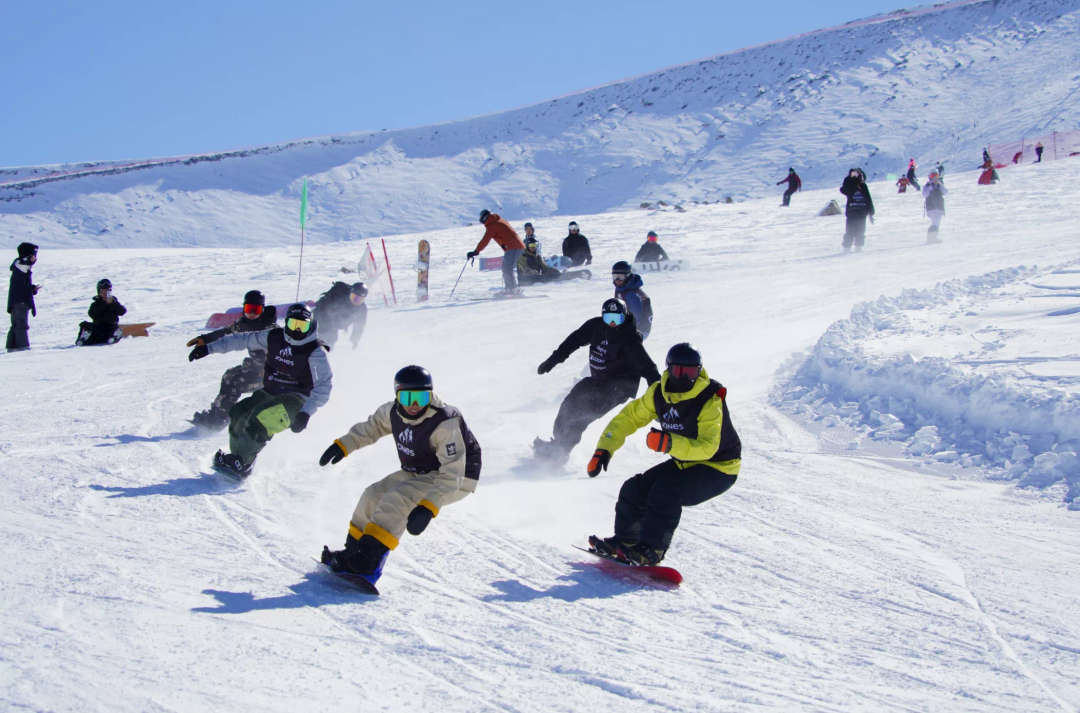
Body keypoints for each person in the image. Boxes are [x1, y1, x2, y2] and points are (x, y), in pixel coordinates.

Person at [318, 366, 481, 586]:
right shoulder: (392, 412)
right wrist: (345, 445)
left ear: (430, 395)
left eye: (421, 398)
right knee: (373, 495)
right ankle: (353, 553)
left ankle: (367, 564)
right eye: (407, 397)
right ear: (397, 395)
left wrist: (428, 507)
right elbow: (372, 428)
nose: (414, 405)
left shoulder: (444, 422)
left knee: (398, 498)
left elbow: (453, 471)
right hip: (419, 471)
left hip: (456, 478)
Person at [587, 343, 741, 566]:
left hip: (719, 467)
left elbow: (709, 447)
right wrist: (605, 448)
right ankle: (626, 543)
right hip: (685, 462)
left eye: (691, 372)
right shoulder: (658, 393)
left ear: (699, 371)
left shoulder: (710, 398)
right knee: (635, 488)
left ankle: (651, 551)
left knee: (666, 491)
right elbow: (628, 418)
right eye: (679, 371)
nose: (685, 377)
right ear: (668, 369)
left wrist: (669, 443)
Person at [188, 303, 332, 479]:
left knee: (261, 420)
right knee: (238, 413)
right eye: (293, 324)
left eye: (302, 326)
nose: (297, 330)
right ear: (286, 323)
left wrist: (306, 413)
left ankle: (243, 462)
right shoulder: (274, 336)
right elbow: (243, 339)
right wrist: (209, 347)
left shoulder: (315, 350)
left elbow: (323, 386)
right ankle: (239, 459)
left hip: (297, 399)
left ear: (310, 326)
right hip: (270, 391)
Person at [533, 298, 661, 463]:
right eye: (609, 319)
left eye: (618, 319)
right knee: (569, 405)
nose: (613, 323)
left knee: (581, 415)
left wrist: (659, 404)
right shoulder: (595, 327)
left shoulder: (629, 339)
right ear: (602, 317)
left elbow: (649, 370)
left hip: (618, 387)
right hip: (597, 380)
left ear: (625, 316)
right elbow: (574, 340)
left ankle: (560, 452)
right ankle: (558, 444)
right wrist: (554, 359)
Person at [187, 290, 279, 429]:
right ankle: (218, 414)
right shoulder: (243, 324)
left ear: (262, 310)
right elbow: (225, 333)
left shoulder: (270, 329)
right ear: (243, 308)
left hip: (271, 376)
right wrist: (204, 340)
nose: (252, 313)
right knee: (230, 375)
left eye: (257, 309)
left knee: (235, 380)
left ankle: (219, 420)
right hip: (256, 369)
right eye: (249, 309)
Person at [467, 209, 526, 295]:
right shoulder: (500, 221)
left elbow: (485, 240)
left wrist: (476, 251)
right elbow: (505, 234)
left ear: (485, 218)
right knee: (506, 268)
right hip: (513, 246)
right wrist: (503, 244)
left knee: (507, 269)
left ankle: (512, 290)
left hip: (514, 247)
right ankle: (511, 289)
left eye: (482, 220)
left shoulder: (492, 226)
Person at [313, 281, 368, 349]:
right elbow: (325, 311)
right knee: (329, 337)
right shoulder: (339, 297)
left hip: (336, 323)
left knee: (330, 339)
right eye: (353, 297)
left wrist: (354, 340)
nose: (355, 301)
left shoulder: (362, 309)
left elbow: (359, 326)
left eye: (360, 299)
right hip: (322, 315)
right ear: (350, 294)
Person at [7, 242, 39, 352]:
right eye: (34, 253)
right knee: (21, 324)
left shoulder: (19, 265)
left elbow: (20, 285)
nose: (35, 256)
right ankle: (22, 347)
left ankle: (12, 347)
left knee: (15, 324)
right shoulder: (22, 264)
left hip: (16, 299)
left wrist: (31, 289)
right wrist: (30, 260)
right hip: (20, 301)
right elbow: (25, 263)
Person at [76, 279, 127, 346]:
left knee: (114, 330)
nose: (106, 292)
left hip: (110, 327)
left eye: (108, 290)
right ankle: (84, 339)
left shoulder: (113, 302)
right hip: (98, 328)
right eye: (104, 290)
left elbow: (122, 311)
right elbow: (92, 314)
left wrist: (113, 303)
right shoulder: (96, 303)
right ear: (99, 291)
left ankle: (114, 337)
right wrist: (104, 303)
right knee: (85, 325)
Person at [612, 261, 653, 340]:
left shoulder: (632, 296)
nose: (617, 280)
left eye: (621, 277)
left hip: (640, 330)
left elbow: (635, 321)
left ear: (628, 276)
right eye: (615, 276)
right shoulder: (623, 287)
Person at [839, 168, 875, 253]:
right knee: (850, 231)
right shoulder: (849, 186)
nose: (855, 176)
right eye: (852, 174)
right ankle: (846, 249)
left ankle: (858, 248)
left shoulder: (863, 186)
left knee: (860, 231)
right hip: (852, 212)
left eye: (856, 174)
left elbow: (868, 199)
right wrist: (848, 179)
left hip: (861, 213)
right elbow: (842, 189)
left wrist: (871, 211)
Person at [922, 172, 948, 244]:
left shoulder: (940, 185)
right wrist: (931, 187)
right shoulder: (927, 186)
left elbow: (945, 192)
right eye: (932, 175)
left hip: (939, 206)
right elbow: (924, 194)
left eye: (935, 175)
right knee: (935, 222)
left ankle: (933, 237)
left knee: (937, 223)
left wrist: (940, 184)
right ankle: (931, 238)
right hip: (931, 207)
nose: (934, 177)